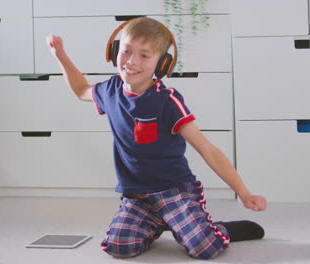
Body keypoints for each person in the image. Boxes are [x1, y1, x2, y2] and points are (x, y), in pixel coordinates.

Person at [46, 17, 267, 260]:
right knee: (119, 247)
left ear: (162, 63)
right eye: (126, 51)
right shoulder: (110, 91)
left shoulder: (167, 101)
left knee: (204, 249)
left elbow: (209, 150)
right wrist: (61, 55)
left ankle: (214, 228)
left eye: (144, 55)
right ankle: (161, 224)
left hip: (175, 191)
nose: (131, 61)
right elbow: (80, 90)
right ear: (113, 51)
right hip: (138, 196)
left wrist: (243, 192)